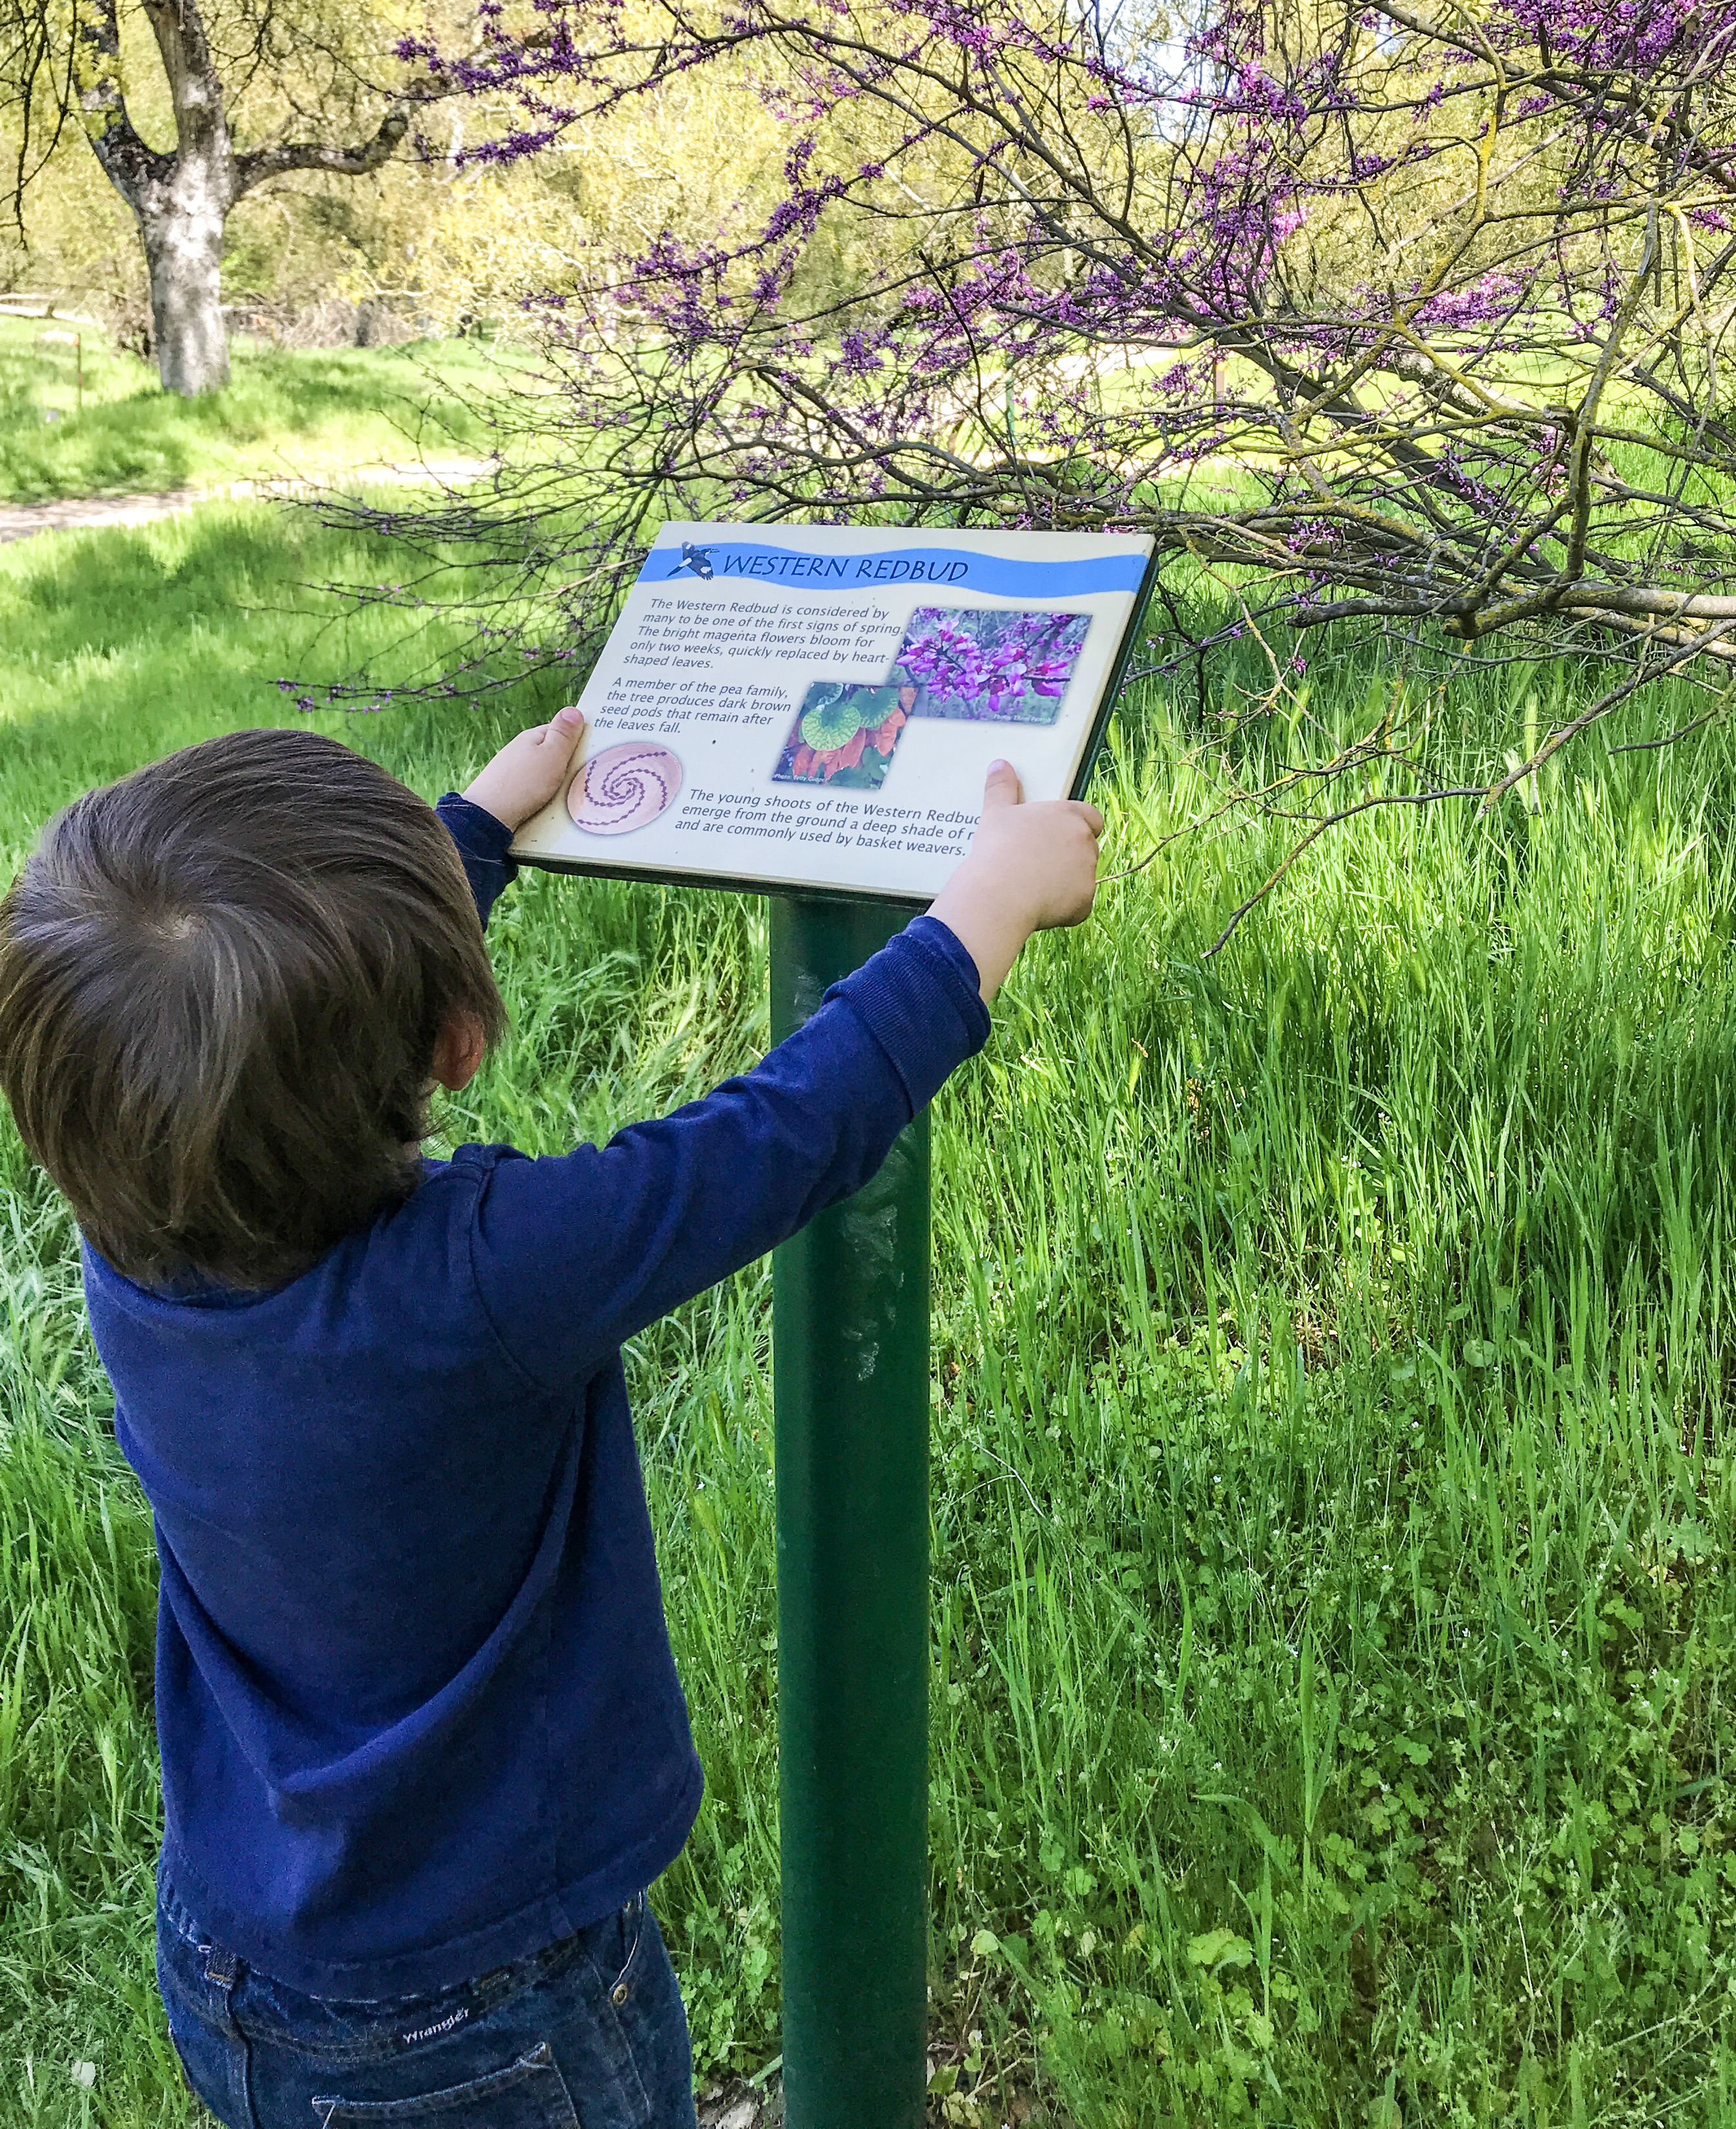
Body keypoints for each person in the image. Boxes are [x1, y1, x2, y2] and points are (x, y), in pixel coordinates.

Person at [0, 712, 1102, 2129]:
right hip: (481, 2014)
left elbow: (239, 1027)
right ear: (458, 1042)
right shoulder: (483, 1285)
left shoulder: (132, 1235)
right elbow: (778, 1137)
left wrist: (475, 824)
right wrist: (982, 909)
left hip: (233, 1954)